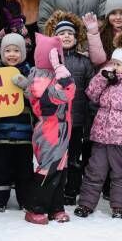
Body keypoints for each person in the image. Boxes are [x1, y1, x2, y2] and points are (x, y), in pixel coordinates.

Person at [77, 33, 122, 218]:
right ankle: (86, 204)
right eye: (112, 62)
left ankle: (119, 206)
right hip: (100, 136)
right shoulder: (108, 81)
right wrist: (102, 77)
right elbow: (91, 93)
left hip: (120, 140)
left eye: (118, 64)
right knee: (94, 171)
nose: (113, 66)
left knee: (120, 173)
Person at [16, 34, 76, 224]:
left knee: (60, 168)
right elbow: (65, 92)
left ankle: (56, 207)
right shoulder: (42, 78)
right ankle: (35, 207)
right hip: (50, 129)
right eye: (56, 56)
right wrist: (60, 69)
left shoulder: (49, 76)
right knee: (49, 168)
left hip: (63, 127)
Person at [43, 11, 98, 203]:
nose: (66, 36)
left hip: (76, 121)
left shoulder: (84, 62)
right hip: (55, 121)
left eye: (70, 33)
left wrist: (90, 116)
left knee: (74, 158)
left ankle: (71, 191)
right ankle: (53, 188)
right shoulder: (48, 62)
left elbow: (92, 91)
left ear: (76, 37)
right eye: (61, 33)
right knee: (55, 157)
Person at [0, 33, 36, 211]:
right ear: (1, 53)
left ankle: (26, 199)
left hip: (24, 134)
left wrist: (27, 88)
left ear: (23, 53)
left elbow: (37, 101)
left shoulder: (31, 72)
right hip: (1, 134)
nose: (12, 54)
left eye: (16, 50)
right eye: (8, 51)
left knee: (25, 169)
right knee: (0, 169)